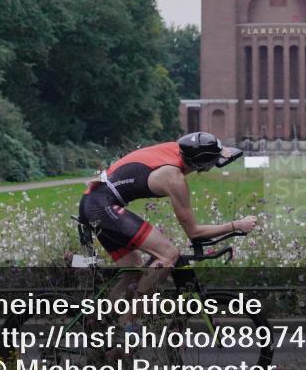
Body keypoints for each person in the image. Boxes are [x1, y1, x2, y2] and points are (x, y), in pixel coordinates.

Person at [77, 132, 254, 329]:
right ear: (201, 165)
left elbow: (204, 149)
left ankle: (100, 326)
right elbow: (194, 232)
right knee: (168, 255)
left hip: (93, 202)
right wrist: (235, 225)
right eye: (211, 163)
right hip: (101, 207)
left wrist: (220, 152)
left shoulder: (179, 148)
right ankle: (127, 323)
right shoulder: (174, 178)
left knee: (133, 269)